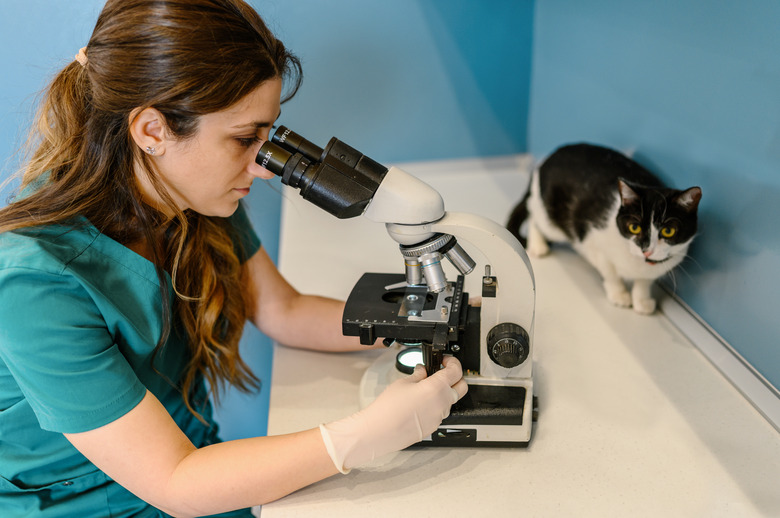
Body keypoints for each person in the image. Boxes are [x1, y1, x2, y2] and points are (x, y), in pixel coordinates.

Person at [0, 1, 468, 516]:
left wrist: (416, 322)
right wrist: (362, 437)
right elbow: (174, 483)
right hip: (105, 502)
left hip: (202, 467)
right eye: (246, 139)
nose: (264, 167)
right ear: (152, 131)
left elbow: (282, 310)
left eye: (267, 138)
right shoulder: (33, 282)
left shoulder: (188, 193)